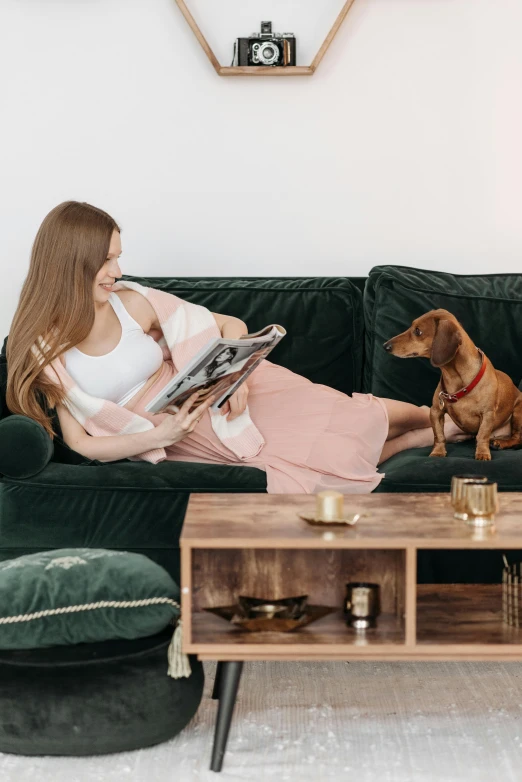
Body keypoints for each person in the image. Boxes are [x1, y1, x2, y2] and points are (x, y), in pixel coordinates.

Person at [6, 201, 506, 494]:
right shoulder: (44, 351)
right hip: (173, 428)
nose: (117, 271)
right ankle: (447, 434)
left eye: (119, 257)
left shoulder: (128, 301)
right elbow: (83, 443)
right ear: (71, 262)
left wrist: (234, 375)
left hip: (226, 391)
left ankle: (440, 418)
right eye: (106, 261)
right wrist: (159, 434)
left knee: (352, 416)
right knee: (326, 461)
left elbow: (226, 323)